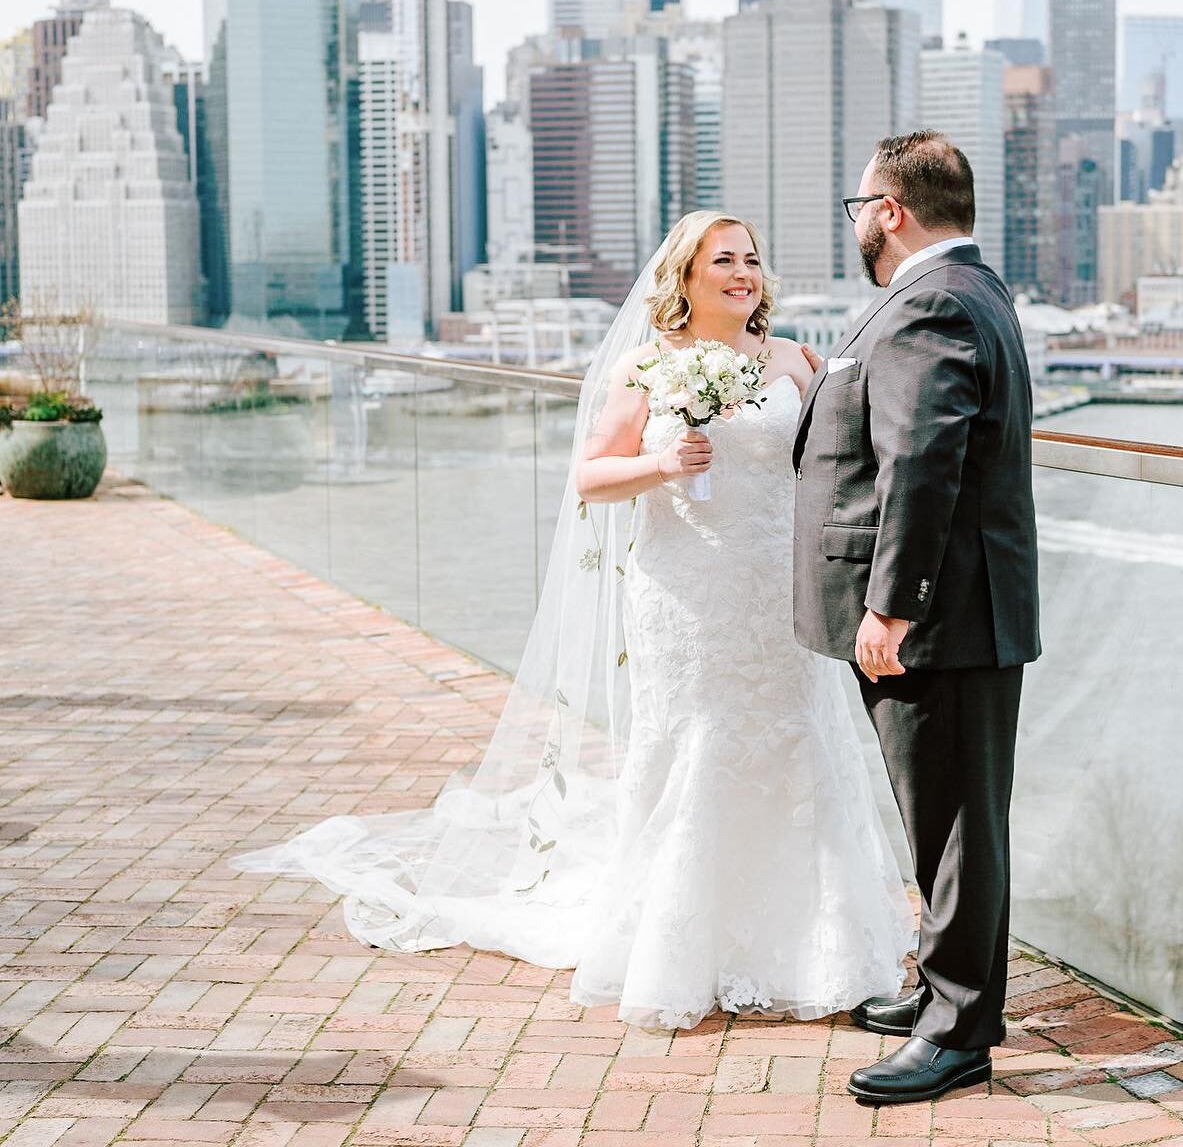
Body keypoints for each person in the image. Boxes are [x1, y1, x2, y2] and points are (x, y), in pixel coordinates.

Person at [233, 210, 913, 1032]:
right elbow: (591, 477)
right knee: (695, 748)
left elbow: (838, 468)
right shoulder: (646, 365)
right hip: (688, 594)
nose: (743, 273)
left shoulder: (798, 362)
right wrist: (664, 462)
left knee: (798, 741)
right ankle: (680, 947)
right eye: (723, 260)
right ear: (686, 279)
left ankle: (816, 945)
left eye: (753, 260)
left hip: (777, 590)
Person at [792, 131, 1041, 1106]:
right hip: (966, 610)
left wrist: (892, 605)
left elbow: (923, 463)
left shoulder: (929, 301)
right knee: (954, 820)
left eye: (859, 207)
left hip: (938, 619)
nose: (857, 224)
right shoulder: (972, 290)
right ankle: (951, 995)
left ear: (890, 210)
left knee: (953, 826)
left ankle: (958, 1032)